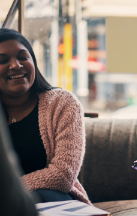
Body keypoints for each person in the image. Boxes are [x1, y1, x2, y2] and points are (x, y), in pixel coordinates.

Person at [0, 28, 90, 204]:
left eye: (23, 57)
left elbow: (62, 176)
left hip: (53, 200)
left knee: (40, 197)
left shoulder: (62, 103)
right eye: (3, 60)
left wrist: (9, 189)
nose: (16, 65)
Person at [0, 102, 37, 216]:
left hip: (53, 194)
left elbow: (63, 175)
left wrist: (16, 186)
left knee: (43, 195)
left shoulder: (61, 102)